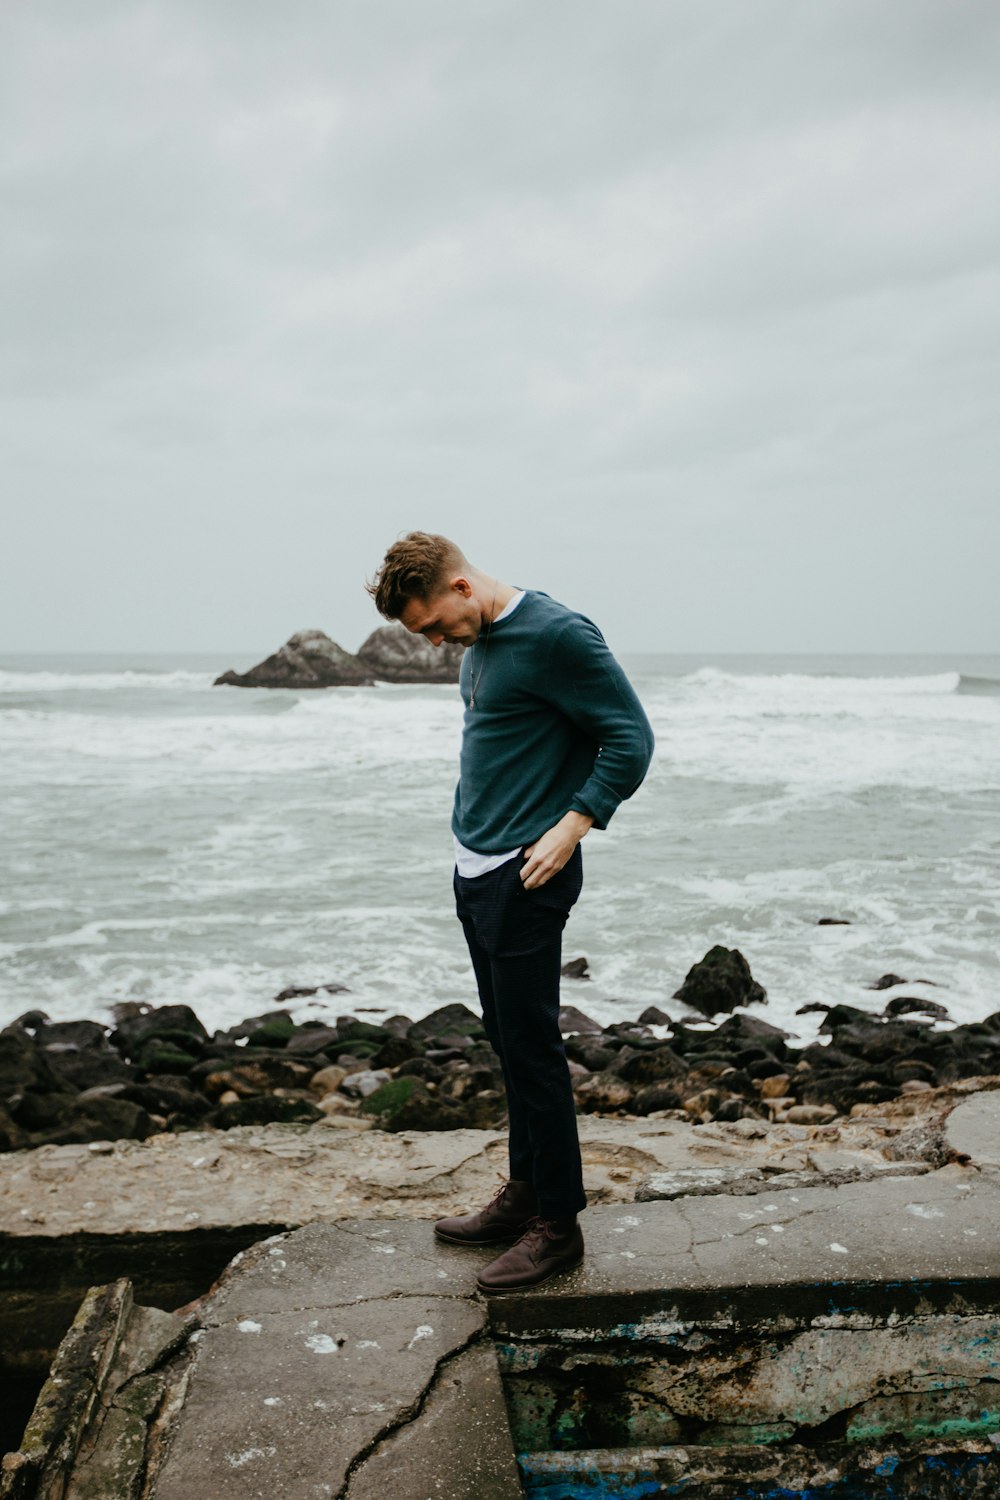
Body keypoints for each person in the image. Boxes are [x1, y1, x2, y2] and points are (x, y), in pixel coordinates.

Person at [366, 532, 654, 1291]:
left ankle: (557, 1227)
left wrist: (572, 825)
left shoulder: (557, 635)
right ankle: (524, 1194)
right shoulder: (480, 641)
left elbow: (630, 738)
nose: (433, 642)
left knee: (533, 1050)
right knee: (507, 1041)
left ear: (460, 586)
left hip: (529, 872)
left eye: (432, 625)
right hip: (477, 869)